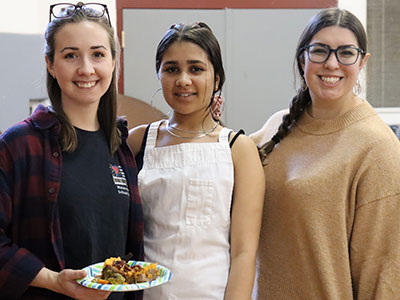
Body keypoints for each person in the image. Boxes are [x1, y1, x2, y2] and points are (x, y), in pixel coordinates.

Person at [251, 8, 400, 299]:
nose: (332, 63)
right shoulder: (277, 125)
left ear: (362, 62)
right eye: (320, 51)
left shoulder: (378, 148)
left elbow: (383, 274)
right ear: (302, 58)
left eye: (346, 53)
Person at [0, 3, 143, 300]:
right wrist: (52, 280)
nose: (86, 69)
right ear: (50, 64)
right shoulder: (19, 145)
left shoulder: (120, 149)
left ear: (114, 61)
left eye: (98, 54)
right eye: (70, 55)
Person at [128, 22, 265, 300]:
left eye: (196, 69)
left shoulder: (238, 149)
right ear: (159, 74)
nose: (183, 80)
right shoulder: (137, 141)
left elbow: (243, 253)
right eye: (171, 69)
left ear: (216, 79)